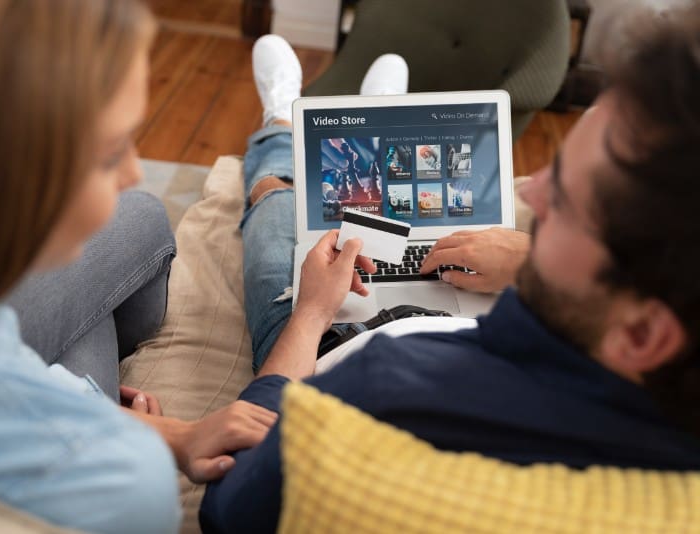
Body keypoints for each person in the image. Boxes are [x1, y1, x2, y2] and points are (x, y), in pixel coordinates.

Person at [201, 6, 700, 532]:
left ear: (643, 333)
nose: (530, 191)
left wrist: (309, 315)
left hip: (339, 339)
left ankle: (278, 121)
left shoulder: (379, 391)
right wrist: (530, 258)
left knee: (279, 207)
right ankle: (374, 120)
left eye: (568, 204)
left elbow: (231, 503)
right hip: (472, 321)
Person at [0, 1, 276, 533]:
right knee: (138, 224)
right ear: (3, 189)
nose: (134, 170)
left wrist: (162, 433)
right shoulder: (120, 479)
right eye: (110, 152)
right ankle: (278, 126)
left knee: (140, 216)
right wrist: (131, 439)